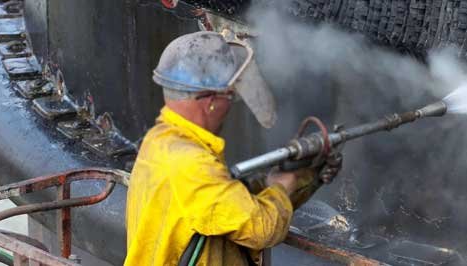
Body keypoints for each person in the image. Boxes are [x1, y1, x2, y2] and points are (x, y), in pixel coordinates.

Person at [124, 31, 342, 266]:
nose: (230, 106)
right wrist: (281, 186)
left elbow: (229, 206)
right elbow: (262, 230)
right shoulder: (192, 165)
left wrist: (307, 177)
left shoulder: (163, 141)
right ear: (210, 102)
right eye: (229, 96)